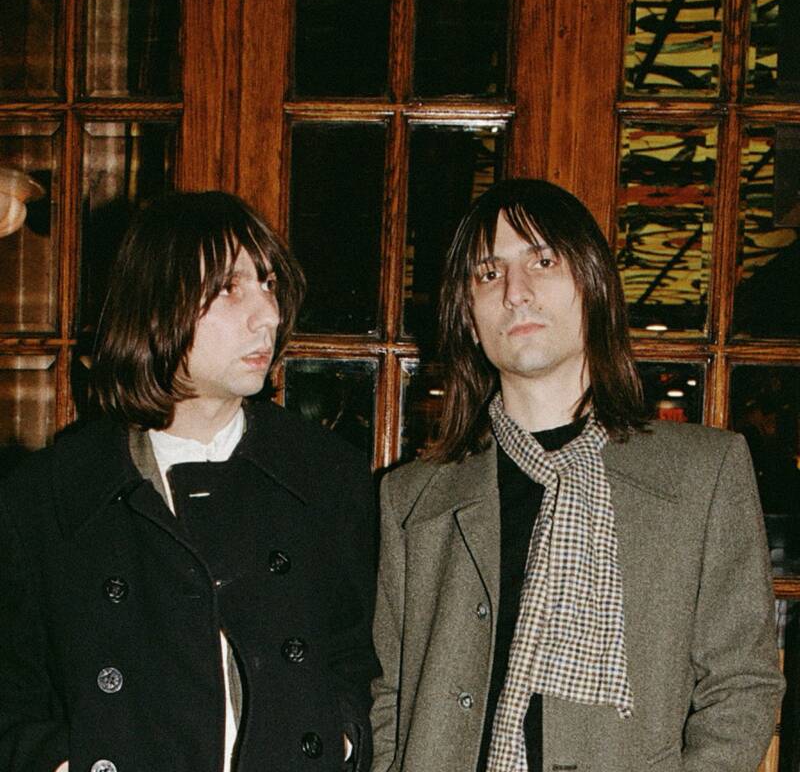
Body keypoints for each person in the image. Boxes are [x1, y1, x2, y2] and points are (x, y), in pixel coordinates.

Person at [370, 179, 784, 772]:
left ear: (592, 285)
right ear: (469, 317)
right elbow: (390, 695)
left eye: (543, 261)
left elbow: (741, 686)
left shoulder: (702, 473)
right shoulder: (413, 497)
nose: (516, 292)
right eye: (489, 273)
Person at [0, 191, 379, 772]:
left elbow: (359, 656)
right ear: (155, 306)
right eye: (230, 288)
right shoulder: (47, 497)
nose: (268, 315)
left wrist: (342, 734)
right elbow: (13, 688)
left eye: (269, 284)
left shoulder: (328, 478)